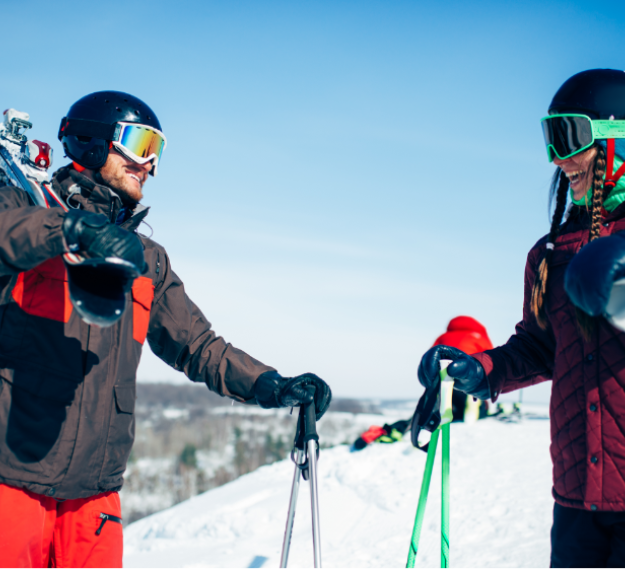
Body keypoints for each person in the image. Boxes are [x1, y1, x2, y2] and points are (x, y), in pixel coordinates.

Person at [0, 91, 331, 569]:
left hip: (93, 499)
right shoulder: (25, 207)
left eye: (158, 150)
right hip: (12, 483)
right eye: (139, 144)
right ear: (94, 142)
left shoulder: (147, 261)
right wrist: (72, 230)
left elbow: (199, 347)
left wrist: (270, 385)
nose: (149, 165)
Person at [417, 69, 625, 568]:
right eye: (550, 139)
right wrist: (480, 368)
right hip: (576, 497)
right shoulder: (550, 255)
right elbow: (539, 347)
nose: (559, 158)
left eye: (570, 136)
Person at [432, 315, 493, 421]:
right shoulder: (479, 337)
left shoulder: (443, 336)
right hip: (469, 378)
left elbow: (432, 356)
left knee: (447, 400)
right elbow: (491, 360)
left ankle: (444, 409)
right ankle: (474, 403)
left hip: (445, 377)